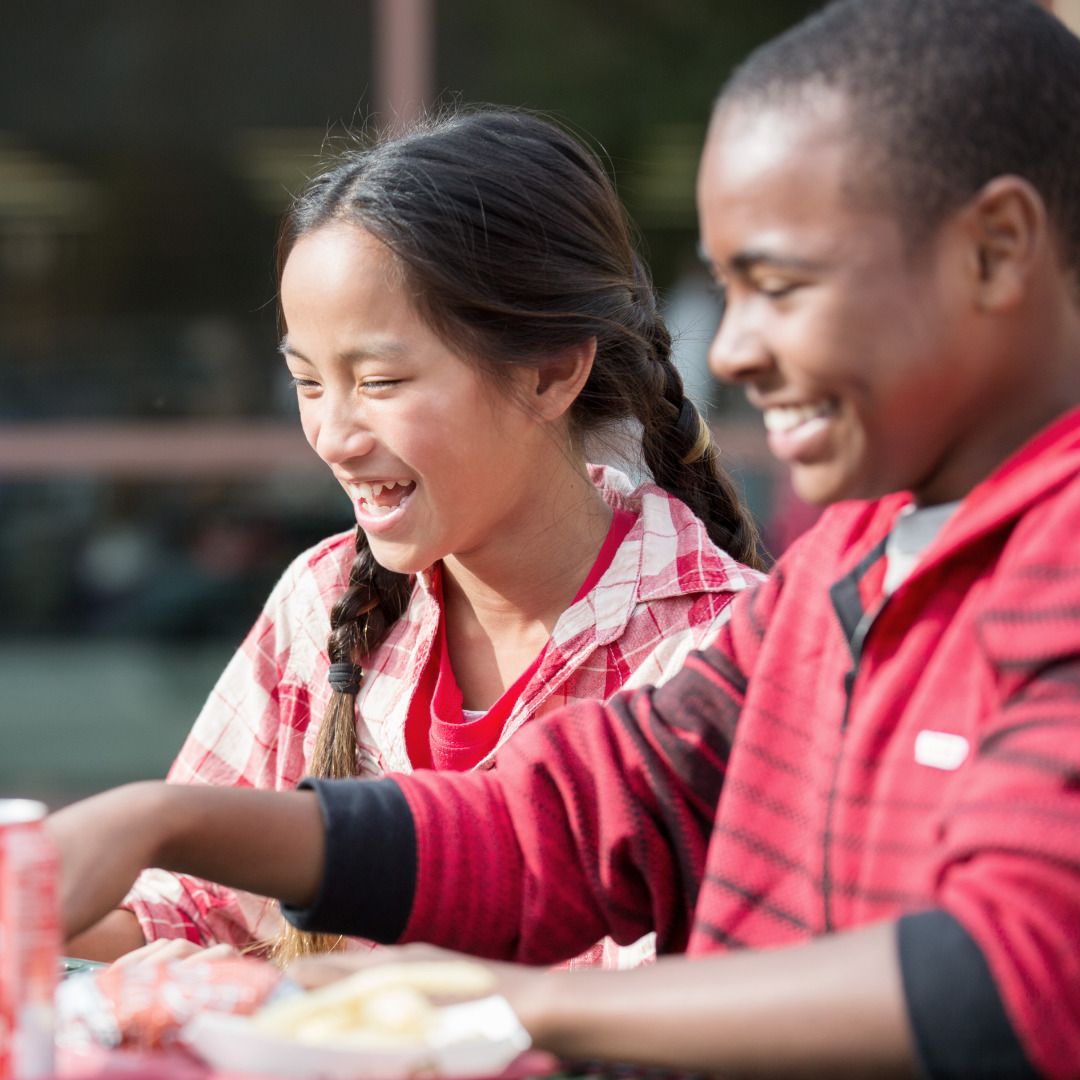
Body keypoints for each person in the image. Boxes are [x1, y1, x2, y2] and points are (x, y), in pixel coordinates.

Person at [51, 0, 1080, 1073]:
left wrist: (523, 1009)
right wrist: (162, 821)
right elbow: (571, 819)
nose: (732, 349)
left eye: (780, 287)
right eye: (727, 292)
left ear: (997, 251)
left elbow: (1008, 979)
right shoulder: (844, 571)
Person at [64, 109, 765, 966]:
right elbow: (187, 911)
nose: (332, 434)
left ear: (549, 371)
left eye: (381, 380)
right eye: (307, 382)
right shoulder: (324, 601)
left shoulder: (718, 651)